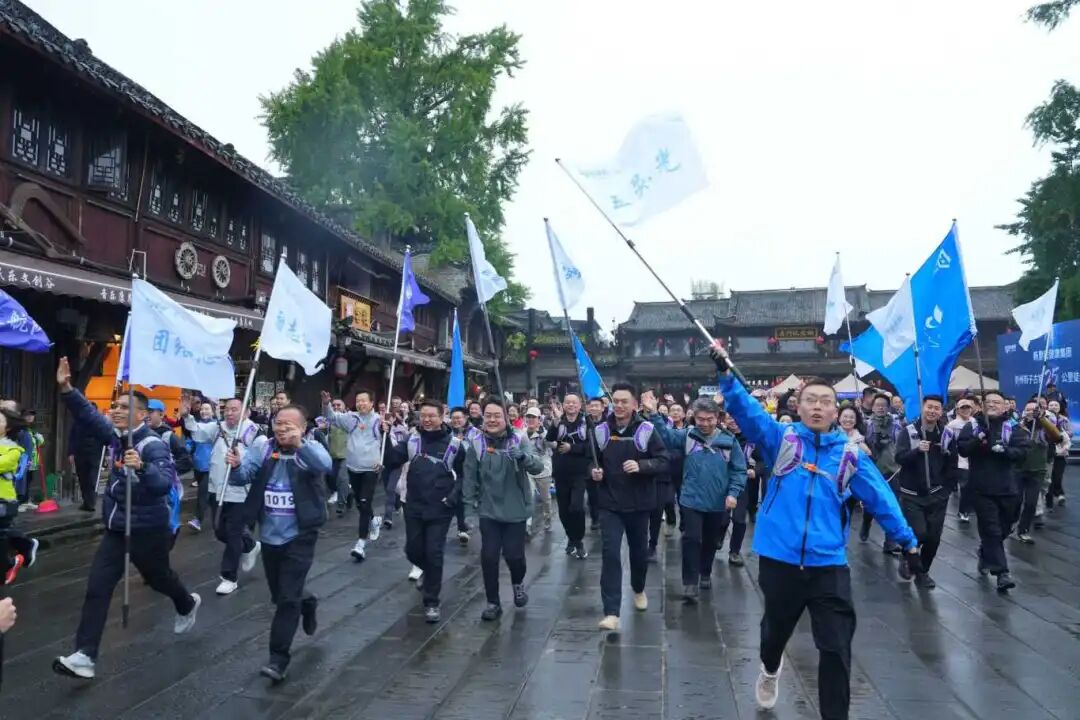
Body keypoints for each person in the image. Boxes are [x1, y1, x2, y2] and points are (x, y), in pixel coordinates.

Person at [711, 350, 919, 717]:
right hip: (780, 559)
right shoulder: (782, 439)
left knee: (836, 647)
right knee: (774, 633)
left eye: (825, 401)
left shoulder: (851, 455)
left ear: (837, 411)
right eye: (811, 400)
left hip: (828, 563)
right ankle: (770, 668)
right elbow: (749, 413)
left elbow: (881, 499)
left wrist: (907, 540)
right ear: (799, 406)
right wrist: (726, 376)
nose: (818, 407)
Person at [53, 358, 200, 681]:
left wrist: (142, 468)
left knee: (159, 578)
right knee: (98, 587)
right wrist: (67, 389)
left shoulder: (152, 445)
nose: (116, 410)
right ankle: (85, 656)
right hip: (118, 528)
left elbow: (163, 484)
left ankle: (186, 603)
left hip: (148, 529)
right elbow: (89, 416)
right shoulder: (117, 437)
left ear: (142, 414)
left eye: (124, 406)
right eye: (115, 406)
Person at [225, 403, 327, 683]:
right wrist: (236, 466)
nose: (282, 429)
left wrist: (300, 444)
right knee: (280, 594)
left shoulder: (310, 449)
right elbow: (243, 477)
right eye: (278, 423)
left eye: (289, 425)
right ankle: (308, 601)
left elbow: (324, 465)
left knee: (287, 599)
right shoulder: (263, 447)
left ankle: (278, 659)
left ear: (302, 428)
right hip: (270, 535)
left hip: (300, 536)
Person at [643, 392, 743, 602]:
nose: (705, 424)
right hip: (691, 499)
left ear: (717, 418)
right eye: (700, 419)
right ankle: (690, 582)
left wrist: (733, 493)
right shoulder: (688, 435)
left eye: (709, 419)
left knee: (710, 540)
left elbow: (738, 470)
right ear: (693, 417)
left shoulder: (729, 440)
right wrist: (653, 414)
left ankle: (705, 572)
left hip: (717, 501)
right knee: (691, 539)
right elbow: (666, 436)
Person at [591, 383, 670, 632]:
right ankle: (611, 612)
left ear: (635, 404)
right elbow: (591, 460)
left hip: (639, 504)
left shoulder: (647, 430)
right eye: (615, 401)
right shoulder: (601, 430)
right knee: (611, 554)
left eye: (624, 401)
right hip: (610, 503)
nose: (619, 405)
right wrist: (594, 472)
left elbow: (663, 460)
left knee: (638, 554)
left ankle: (638, 588)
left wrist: (642, 466)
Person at [383, 399, 465, 623]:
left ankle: (431, 601)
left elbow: (464, 476)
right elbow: (391, 460)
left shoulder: (454, 445)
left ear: (442, 417)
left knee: (434, 552)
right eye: (423, 416)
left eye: (432, 416)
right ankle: (428, 573)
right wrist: (385, 436)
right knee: (413, 550)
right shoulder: (412, 440)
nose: (427, 420)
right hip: (414, 504)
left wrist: (452, 498)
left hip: (441, 507)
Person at [462, 400, 542, 621]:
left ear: (506, 418)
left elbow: (538, 467)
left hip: (515, 509)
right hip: (488, 509)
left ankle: (518, 583)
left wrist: (523, 457)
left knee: (514, 556)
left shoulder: (519, 439)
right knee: (488, 556)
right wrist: (468, 509)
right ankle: (493, 602)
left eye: (497, 415)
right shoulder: (476, 442)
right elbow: (469, 479)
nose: (492, 419)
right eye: (488, 415)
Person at [183, 397, 263, 595]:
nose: (229, 413)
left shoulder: (254, 433)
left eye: (234, 409)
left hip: (240, 492)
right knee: (219, 531)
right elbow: (199, 433)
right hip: (217, 488)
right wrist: (187, 416)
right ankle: (250, 545)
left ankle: (229, 577)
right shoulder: (218, 428)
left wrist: (240, 465)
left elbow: (259, 462)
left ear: (246, 412)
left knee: (234, 533)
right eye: (226, 409)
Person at [957, 390, 1028, 592]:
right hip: (981, 488)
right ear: (982, 405)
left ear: (1005, 406)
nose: (992, 405)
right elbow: (962, 449)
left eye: (997, 402)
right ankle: (1002, 573)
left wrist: (1005, 450)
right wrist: (979, 438)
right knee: (991, 530)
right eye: (988, 402)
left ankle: (985, 551)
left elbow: (1023, 452)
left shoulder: (1013, 427)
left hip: (1008, 487)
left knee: (1005, 528)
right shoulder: (973, 425)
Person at [894, 395, 953, 589]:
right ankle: (908, 557)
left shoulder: (945, 433)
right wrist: (917, 451)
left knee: (933, 538)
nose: (932, 411)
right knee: (919, 533)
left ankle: (923, 572)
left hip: (938, 493)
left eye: (937, 408)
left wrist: (948, 487)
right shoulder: (909, 431)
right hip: (912, 494)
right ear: (922, 408)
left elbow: (952, 461)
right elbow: (899, 458)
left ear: (941, 411)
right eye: (929, 407)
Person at [321, 389, 384, 562]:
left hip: (371, 468)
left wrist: (387, 428)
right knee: (361, 503)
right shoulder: (351, 418)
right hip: (353, 467)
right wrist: (326, 404)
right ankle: (374, 519)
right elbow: (331, 417)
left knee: (364, 502)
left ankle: (360, 544)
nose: (361, 403)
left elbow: (389, 440)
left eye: (364, 400)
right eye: (358, 401)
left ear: (371, 403)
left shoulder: (379, 420)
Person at [547, 394, 592, 558]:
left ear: (580, 405)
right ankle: (571, 538)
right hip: (561, 472)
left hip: (579, 473)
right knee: (563, 511)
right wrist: (555, 424)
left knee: (576, 507)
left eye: (574, 402)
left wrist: (572, 448)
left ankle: (578, 540)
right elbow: (549, 439)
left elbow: (591, 447)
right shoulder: (559, 421)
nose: (571, 405)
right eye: (568, 402)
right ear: (563, 405)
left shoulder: (587, 422)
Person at [0, 406, 39, 585]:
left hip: (3, 500)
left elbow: (3, 464)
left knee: (1, 537)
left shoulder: (13, 449)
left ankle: (10, 563)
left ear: (8, 427)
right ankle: (24, 546)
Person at [146, 399, 192, 547]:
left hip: (167, 492)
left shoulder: (169, 436)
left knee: (167, 531)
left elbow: (186, 461)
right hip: (146, 491)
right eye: (145, 411)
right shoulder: (139, 435)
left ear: (161, 414)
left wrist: (167, 470)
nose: (147, 415)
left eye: (150, 412)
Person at [1014, 399, 1062, 543]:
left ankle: (1023, 530)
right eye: (1028, 409)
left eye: (1034, 409)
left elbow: (1057, 437)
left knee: (1031, 503)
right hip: (1018, 470)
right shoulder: (1017, 426)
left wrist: (1041, 419)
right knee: (1016, 502)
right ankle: (1011, 523)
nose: (1030, 412)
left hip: (1037, 471)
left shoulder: (1044, 428)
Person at [861, 393, 902, 552]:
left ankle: (890, 542)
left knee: (893, 506)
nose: (880, 408)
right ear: (872, 407)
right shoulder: (866, 425)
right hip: (873, 470)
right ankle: (866, 523)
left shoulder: (896, 424)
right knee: (871, 504)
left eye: (883, 405)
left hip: (893, 470)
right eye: (877, 405)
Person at [448, 407, 477, 543]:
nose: (456, 421)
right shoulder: (448, 432)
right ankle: (462, 527)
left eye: (458, 418)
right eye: (453, 418)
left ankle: (463, 527)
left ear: (465, 418)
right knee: (458, 498)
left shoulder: (475, 433)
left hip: (469, 468)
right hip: (452, 468)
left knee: (461, 497)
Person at [68, 409, 106, 512]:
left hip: (95, 454)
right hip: (80, 453)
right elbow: (72, 437)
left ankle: (91, 502)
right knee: (82, 478)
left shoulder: (99, 424)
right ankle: (86, 501)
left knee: (92, 479)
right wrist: (71, 452)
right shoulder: (78, 422)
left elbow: (106, 437)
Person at [186, 401, 215, 531]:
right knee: (210, 494)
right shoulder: (195, 425)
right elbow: (190, 441)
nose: (204, 411)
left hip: (211, 466)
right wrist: (186, 448)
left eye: (207, 409)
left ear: (213, 411)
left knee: (202, 493)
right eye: (202, 409)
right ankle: (219, 517)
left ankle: (197, 519)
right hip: (198, 465)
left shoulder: (217, 426)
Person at [524, 407, 554, 536]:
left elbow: (554, 445)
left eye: (533, 417)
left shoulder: (545, 433)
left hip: (543, 470)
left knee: (545, 499)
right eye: (528, 417)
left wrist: (545, 437)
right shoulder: (522, 433)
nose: (531, 419)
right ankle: (527, 525)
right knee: (529, 497)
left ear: (539, 420)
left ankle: (548, 519)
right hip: (527, 470)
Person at [946, 398, 977, 523]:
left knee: (972, 486)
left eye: (968, 407)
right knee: (965, 486)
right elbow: (946, 442)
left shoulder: (975, 422)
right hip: (960, 459)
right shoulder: (952, 425)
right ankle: (963, 511)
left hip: (973, 459)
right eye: (962, 408)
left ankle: (967, 509)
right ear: (957, 410)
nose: (965, 410)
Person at [381, 412, 410, 530]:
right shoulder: (381, 431)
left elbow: (404, 447)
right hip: (385, 463)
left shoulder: (401, 430)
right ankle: (397, 504)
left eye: (390, 418)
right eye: (385, 418)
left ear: (393, 418)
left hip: (397, 463)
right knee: (388, 488)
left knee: (390, 489)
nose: (388, 420)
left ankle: (388, 517)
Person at [1047, 400, 1071, 508]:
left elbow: (1069, 435)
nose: (1053, 407)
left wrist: (1061, 437)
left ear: (1060, 407)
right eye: (1051, 405)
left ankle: (1059, 494)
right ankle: (1050, 501)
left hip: (1061, 453)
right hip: (1048, 453)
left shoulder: (1064, 420)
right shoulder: (1044, 419)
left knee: (1057, 477)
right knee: (1049, 478)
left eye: (1056, 405)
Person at [327, 399, 349, 511]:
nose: (336, 407)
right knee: (331, 477)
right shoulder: (329, 421)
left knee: (342, 478)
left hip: (346, 455)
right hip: (332, 454)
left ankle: (341, 504)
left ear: (344, 406)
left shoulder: (349, 419)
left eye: (338, 405)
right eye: (334, 405)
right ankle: (349, 494)